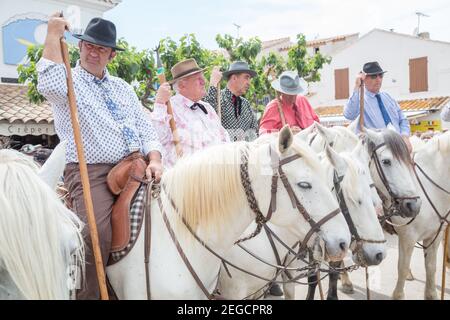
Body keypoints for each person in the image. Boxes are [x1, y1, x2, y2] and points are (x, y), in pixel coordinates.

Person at [37, 15, 163, 299]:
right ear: (80, 47)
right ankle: (88, 295)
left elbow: (147, 130)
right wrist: (53, 33)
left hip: (137, 166)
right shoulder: (68, 80)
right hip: (89, 170)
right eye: (89, 46)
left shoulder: (124, 87)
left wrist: (155, 158)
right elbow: (46, 83)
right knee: (96, 236)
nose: (94, 53)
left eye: (102, 49)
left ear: (112, 55)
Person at [150, 58, 230, 168]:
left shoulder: (208, 108)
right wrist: (159, 102)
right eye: (199, 79)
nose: (204, 82)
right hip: (185, 180)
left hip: (217, 176)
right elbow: (156, 138)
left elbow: (224, 137)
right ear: (182, 85)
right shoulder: (168, 108)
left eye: (203, 78)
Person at [344, 61, 412, 152]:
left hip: (399, 148)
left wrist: (405, 136)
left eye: (381, 76)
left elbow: (402, 119)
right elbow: (349, 114)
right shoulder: (360, 99)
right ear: (364, 79)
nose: (378, 79)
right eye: (373, 76)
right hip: (379, 153)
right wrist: (357, 86)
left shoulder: (388, 97)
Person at [204, 61, 259, 141]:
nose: (249, 83)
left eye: (249, 79)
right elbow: (207, 116)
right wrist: (213, 84)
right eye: (246, 78)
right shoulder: (218, 99)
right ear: (234, 78)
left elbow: (254, 131)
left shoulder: (246, 104)